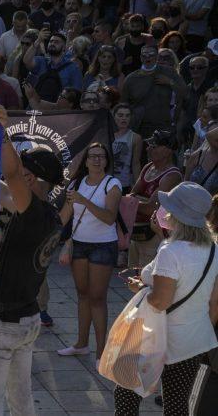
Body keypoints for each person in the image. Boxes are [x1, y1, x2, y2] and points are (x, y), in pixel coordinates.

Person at [0, 104, 65, 415]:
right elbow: (5, 192)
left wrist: (2, 133)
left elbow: (10, 174)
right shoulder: (49, 215)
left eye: (25, 173)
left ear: (34, 179)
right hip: (28, 318)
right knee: (21, 400)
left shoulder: (33, 212)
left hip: (5, 321)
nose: (18, 175)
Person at [114, 182, 218, 414]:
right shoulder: (214, 250)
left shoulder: (170, 252)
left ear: (176, 215)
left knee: (126, 395)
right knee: (177, 405)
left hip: (155, 338)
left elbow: (160, 301)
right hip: (192, 341)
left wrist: (140, 288)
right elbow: (214, 305)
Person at [56, 143, 122, 361]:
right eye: (92, 156)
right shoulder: (76, 183)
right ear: (85, 161)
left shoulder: (112, 184)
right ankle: (81, 344)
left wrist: (84, 201)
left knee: (97, 298)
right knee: (82, 295)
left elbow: (109, 217)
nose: (97, 160)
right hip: (79, 244)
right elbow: (65, 217)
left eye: (101, 157)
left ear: (106, 160)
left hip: (103, 245)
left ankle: (101, 352)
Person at [128, 130, 183, 268]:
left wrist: (133, 201)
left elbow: (151, 208)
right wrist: (138, 201)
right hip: (138, 232)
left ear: (167, 151)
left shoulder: (172, 175)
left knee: (147, 279)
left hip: (155, 235)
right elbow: (132, 196)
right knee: (135, 278)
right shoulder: (148, 167)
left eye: (153, 146)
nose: (148, 149)